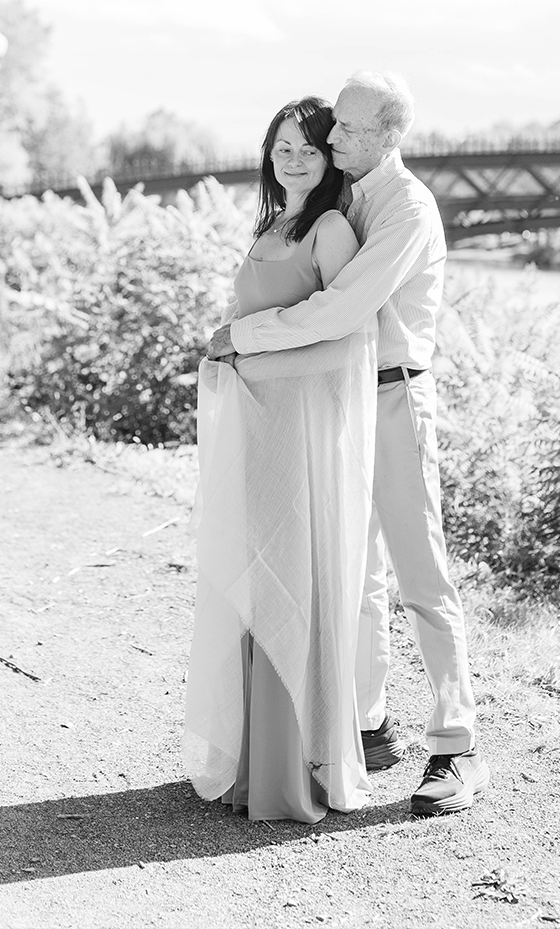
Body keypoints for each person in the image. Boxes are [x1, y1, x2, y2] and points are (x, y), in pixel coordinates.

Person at [205, 70, 486, 817]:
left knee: (422, 573)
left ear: (391, 136)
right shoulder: (343, 191)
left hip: (393, 395)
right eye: (336, 129)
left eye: (350, 131)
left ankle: (458, 747)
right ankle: (366, 724)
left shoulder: (408, 210)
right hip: (336, 400)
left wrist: (245, 339)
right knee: (352, 574)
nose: (332, 140)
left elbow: (342, 309)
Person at [185, 96, 376, 822]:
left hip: (296, 434)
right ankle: (248, 762)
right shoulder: (272, 225)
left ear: (331, 160)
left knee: (290, 580)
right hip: (253, 429)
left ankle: (291, 770)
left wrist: (243, 339)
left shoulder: (329, 229)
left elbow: (343, 340)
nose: (293, 158)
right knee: (254, 577)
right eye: (283, 146)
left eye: (309, 148)